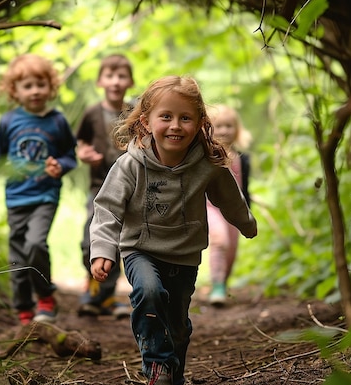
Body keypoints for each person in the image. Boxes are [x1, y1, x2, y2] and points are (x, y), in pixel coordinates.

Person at [89, 76, 257, 385]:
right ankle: (156, 365)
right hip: (140, 249)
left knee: (178, 324)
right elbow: (108, 208)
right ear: (146, 122)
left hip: (184, 253)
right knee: (149, 293)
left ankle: (172, 375)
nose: (175, 125)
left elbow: (229, 197)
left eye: (185, 118)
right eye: (165, 116)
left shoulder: (207, 164)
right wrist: (102, 250)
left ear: (200, 123)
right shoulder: (130, 165)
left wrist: (246, 224)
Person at [0, 54, 77, 326]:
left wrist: (59, 166)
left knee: (35, 244)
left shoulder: (57, 121)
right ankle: (23, 309)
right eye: (27, 86)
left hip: (45, 195)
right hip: (16, 196)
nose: (35, 91)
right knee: (17, 257)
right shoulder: (9, 121)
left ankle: (45, 297)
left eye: (40, 84)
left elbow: (70, 155)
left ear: (50, 87)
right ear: (14, 91)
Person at [75, 54, 135, 318]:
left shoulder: (134, 113)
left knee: (121, 241)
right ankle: (93, 289)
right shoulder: (92, 113)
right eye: (110, 76)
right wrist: (84, 153)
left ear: (130, 81)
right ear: (101, 81)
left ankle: (107, 297)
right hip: (99, 187)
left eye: (121, 76)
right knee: (92, 238)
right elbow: (81, 143)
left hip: (129, 188)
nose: (115, 81)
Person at [206, 104, 253, 306]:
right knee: (220, 240)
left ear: (237, 129)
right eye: (219, 126)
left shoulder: (243, 158)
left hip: (234, 209)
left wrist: (248, 214)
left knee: (232, 250)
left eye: (229, 125)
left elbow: (245, 188)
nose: (224, 130)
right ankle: (216, 285)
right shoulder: (206, 155)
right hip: (209, 207)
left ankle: (223, 285)